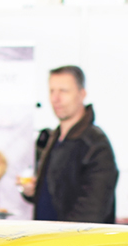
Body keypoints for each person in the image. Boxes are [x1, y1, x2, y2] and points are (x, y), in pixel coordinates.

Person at [22, 66, 117, 224]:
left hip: (72, 244)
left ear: (82, 94)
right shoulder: (55, 138)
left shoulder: (96, 144)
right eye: (52, 91)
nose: (55, 98)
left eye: (63, 91)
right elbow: (56, 194)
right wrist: (32, 191)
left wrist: (62, 241)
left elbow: (93, 211)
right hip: (46, 241)